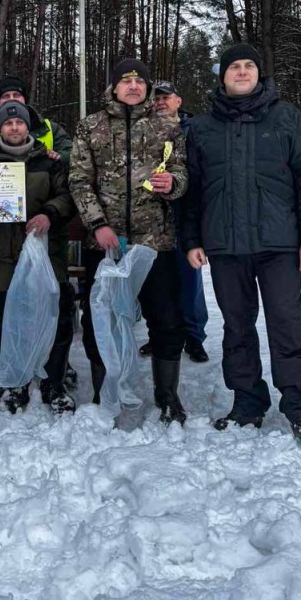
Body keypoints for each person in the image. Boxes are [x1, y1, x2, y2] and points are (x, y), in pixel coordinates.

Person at [182, 44, 301, 445]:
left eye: (249, 66)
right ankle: (247, 404)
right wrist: (193, 239)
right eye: (235, 67)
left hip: (279, 244)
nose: (242, 72)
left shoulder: (285, 118)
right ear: (223, 76)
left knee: (287, 323)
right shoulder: (203, 127)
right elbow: (193, 190)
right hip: (226, 246)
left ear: (258, 74)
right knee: (237, 327)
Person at [69, 57, 188, 422]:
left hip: (155, 244)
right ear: (114, 87)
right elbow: (78, 180)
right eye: (126, 81)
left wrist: (175, 184)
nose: (133, 86)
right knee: (98, 320)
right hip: (105, 244)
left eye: (140, 81)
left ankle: (167, 396)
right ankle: (106, 393)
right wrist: (98, 225)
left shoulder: (167, 125)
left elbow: (182, 170)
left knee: (166, 320)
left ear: (148, 87)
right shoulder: (91, 126)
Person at [0, 100, 77, 414]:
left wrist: (49, 213)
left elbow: (69, 196)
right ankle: (16, 382)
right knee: (6, 323)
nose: (14, 127)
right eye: (8, 124)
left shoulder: (49, 162)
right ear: (0, 129)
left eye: (19, 122)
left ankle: (53, 384)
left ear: (27, 127)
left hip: (45, 255)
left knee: (56, 319)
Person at [148, 80, 209, 363]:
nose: (161, 102)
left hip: (185, 214)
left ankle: (194, 337)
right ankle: (158, 334)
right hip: (151, 217)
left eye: (166, 97)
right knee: (156, 282)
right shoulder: (144, 130)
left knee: (189, 279)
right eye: (156, 98)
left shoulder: (194, 130)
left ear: (178, 101)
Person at [0, 75, 73, 164]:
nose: (11, 99)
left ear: (25, 99)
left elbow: (74, 155)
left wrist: (58, 158)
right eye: (5, 96)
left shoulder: (49, 128)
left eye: (16, 95)